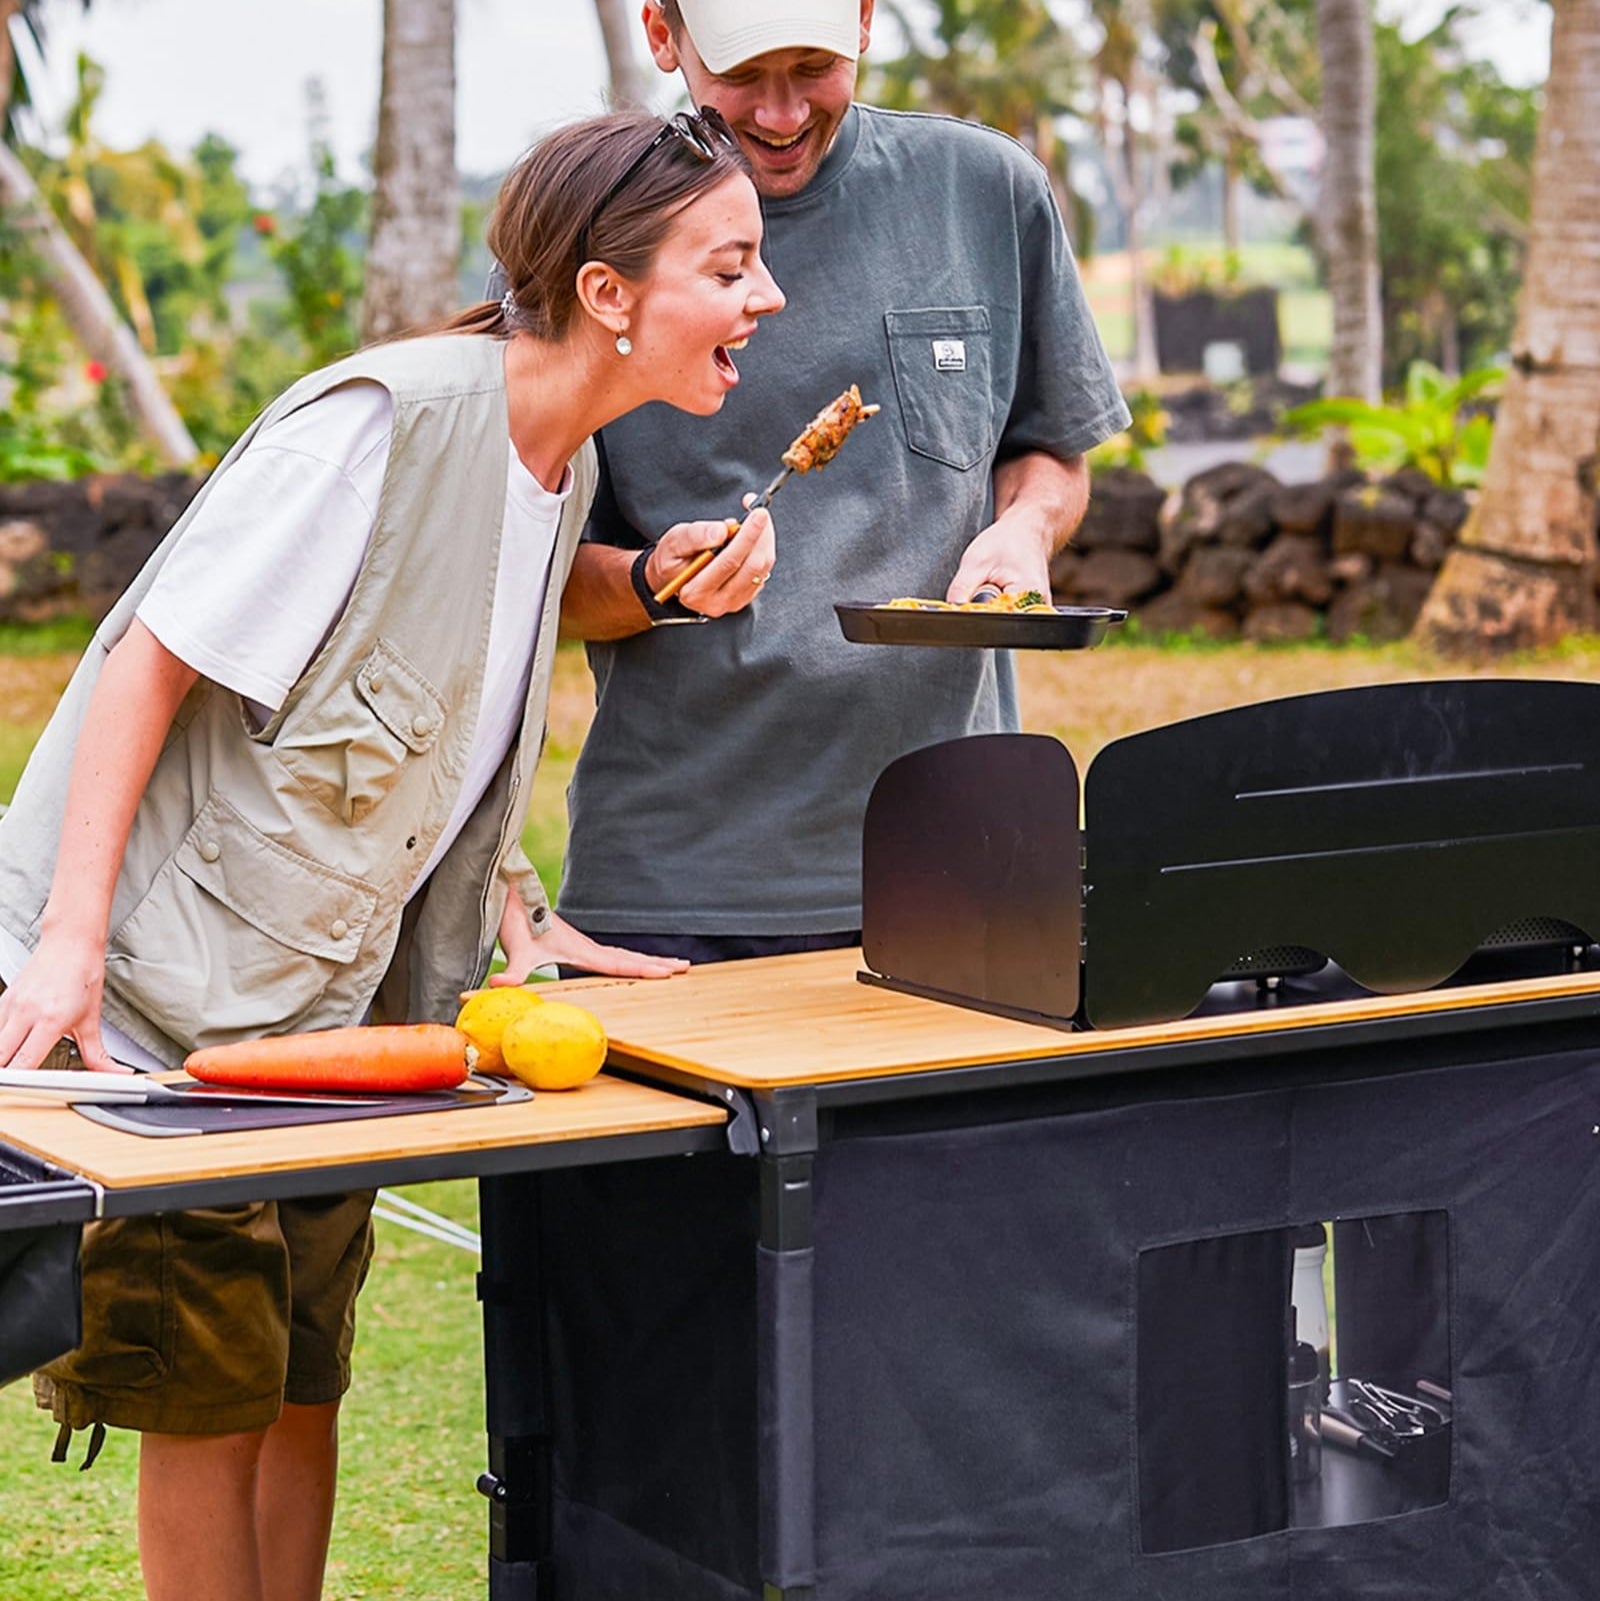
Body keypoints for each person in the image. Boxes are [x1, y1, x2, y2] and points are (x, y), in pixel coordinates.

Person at [0, 107, 781, 1601]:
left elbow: (428, 718)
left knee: (303, 1378)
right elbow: (144, 661)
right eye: (731, 267)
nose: (767, 298)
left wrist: (516, 908)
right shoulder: (382, 425)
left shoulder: (552, 465)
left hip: (331, 1031)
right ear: (609, 293)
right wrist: (67, 943)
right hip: (162, 1024)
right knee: (207, 1402)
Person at [554, 0, 1131, 965]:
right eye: (743, 74)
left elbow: (1048, 452)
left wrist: (1026, 529)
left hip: (963, 865)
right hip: (677, 888)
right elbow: (532, 573)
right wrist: (655, 583)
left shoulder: (984, 190)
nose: (781, 115)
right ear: (662, 33)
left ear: (865, 20)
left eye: (812, 65)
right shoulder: (581, 236)